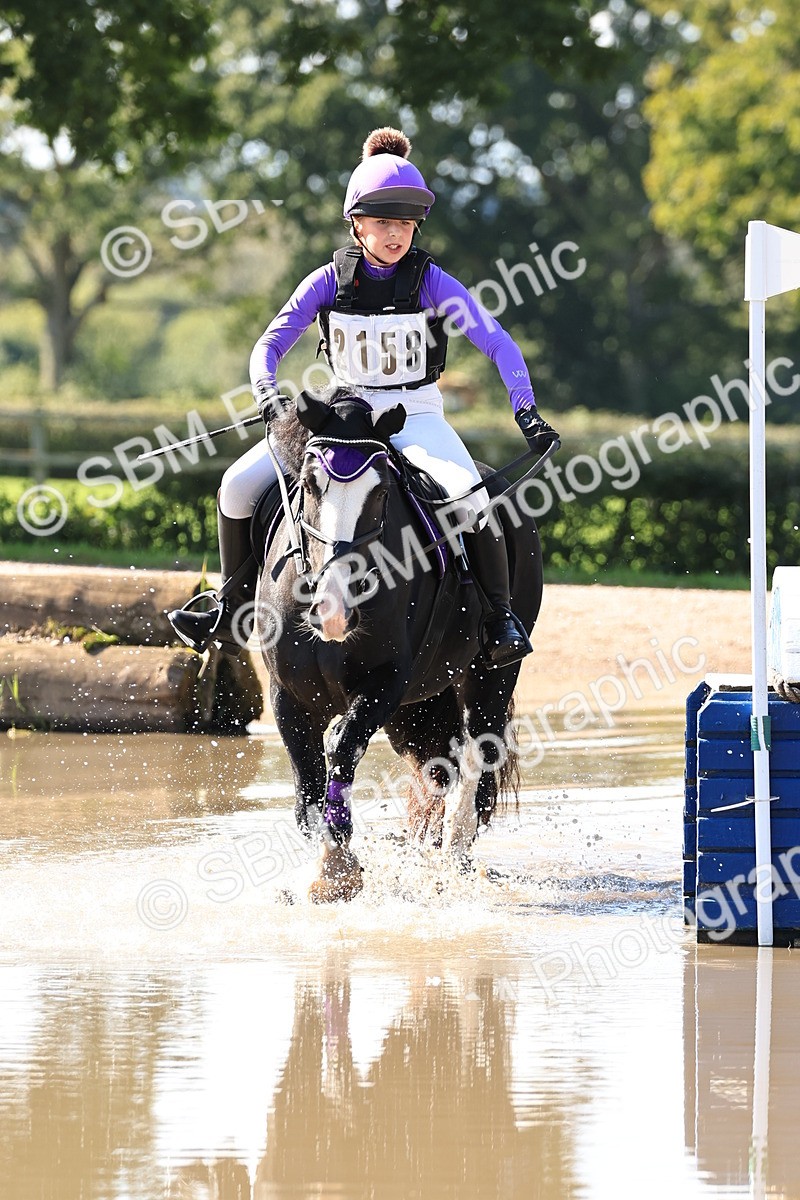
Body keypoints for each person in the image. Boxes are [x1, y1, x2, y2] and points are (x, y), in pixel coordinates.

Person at [169, 127, 559, 667]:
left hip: (413, 415)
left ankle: (499, 615)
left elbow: (496, 341)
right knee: (236, 487)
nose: (396, 234)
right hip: (340, 413)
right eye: (382, 222)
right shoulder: (328, 279)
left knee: (471, 499)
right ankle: (230, 607)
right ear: (357, 224)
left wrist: (526, 409)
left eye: (404, 223)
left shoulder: (431, 282)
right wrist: (267, 394)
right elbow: (271, 342)